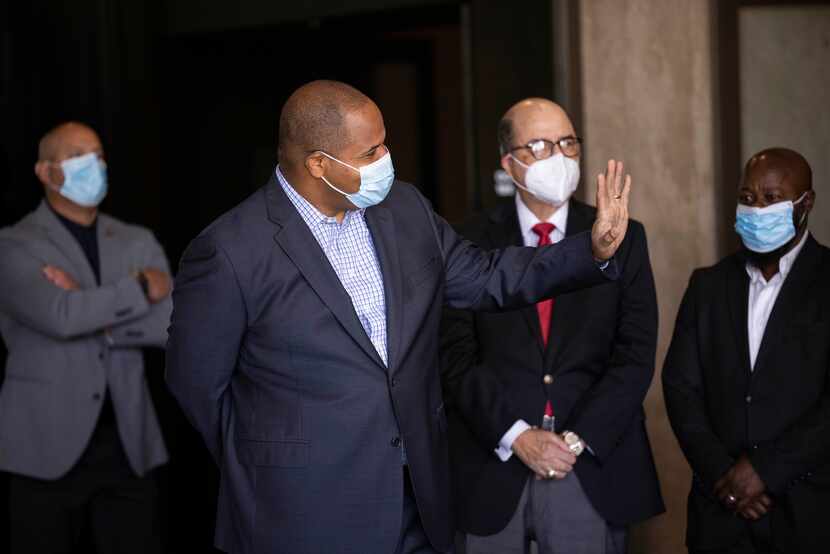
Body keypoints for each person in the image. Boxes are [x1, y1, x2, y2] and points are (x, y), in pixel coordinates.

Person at [165, 80, 632, 554]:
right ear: (319, 164)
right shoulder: (230, 250)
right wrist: (266, 465)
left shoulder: (403, 208)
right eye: (370, 152)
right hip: (301, 511)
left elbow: (486, 277)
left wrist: (590, 251)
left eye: (384, 142)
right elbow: (197, 385)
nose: (386, 158)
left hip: (417, 499)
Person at [439, 98, 664, 554]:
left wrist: (576, 441)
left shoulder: (622, 235)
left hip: (589, 466)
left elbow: (635, 353)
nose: (558, 157)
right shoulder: (467, 239)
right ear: (510, 161)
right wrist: (516, 435)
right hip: (493, 467)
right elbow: (454, 355)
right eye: (540, 145)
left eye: (567, 143)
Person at [0, 121, 172, 554]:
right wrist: (136, 289)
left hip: (128, 446)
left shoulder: (138, 240)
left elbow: (170, 325)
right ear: (45, 172)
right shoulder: (13, 244)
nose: (93, 165)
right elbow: (59, 316)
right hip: (45, 447)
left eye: (97, 154)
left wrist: (89, 307)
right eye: (78, 156)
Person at [663, 147, 830, 553]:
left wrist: (766, 472)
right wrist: (726, 477)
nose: (756, 210)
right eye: (747, 198)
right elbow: (681, 388)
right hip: (720, 515)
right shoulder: (707, 286)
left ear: (805, 204)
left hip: (808, 512)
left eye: (771, 199)